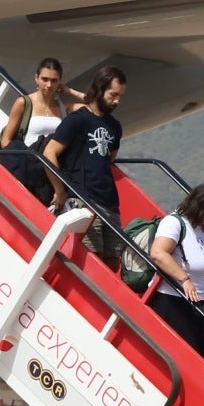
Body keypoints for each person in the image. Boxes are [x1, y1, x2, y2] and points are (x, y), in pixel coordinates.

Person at [41, 65, 127, 268]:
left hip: (109, 202)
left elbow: (110, 158)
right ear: (100, 89)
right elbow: (49, 152)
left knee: (113, 263)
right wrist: (59, 190)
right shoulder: (78, 120)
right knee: (92, 260)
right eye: (113, 94)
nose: (117, 101)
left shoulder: (115, 126)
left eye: (120, 96)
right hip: (83, 198)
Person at [148, 182, 204, 362]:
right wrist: (184, 279)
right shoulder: (174, 222)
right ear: (200, 206)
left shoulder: (198, 229)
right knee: (191, 353)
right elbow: (158, 253)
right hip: (174, 299)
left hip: (202, 302)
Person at [0, 56, 76, 206]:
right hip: (27, 164)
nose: (48, 85)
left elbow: (92, 108)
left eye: (54, 80)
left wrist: (71, 91)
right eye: (45, 79)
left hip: (50, 170)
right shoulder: (24, 103)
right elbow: (5, 141)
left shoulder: (62, 108)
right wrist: (18, 163)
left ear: (60, 81)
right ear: (36, 78)